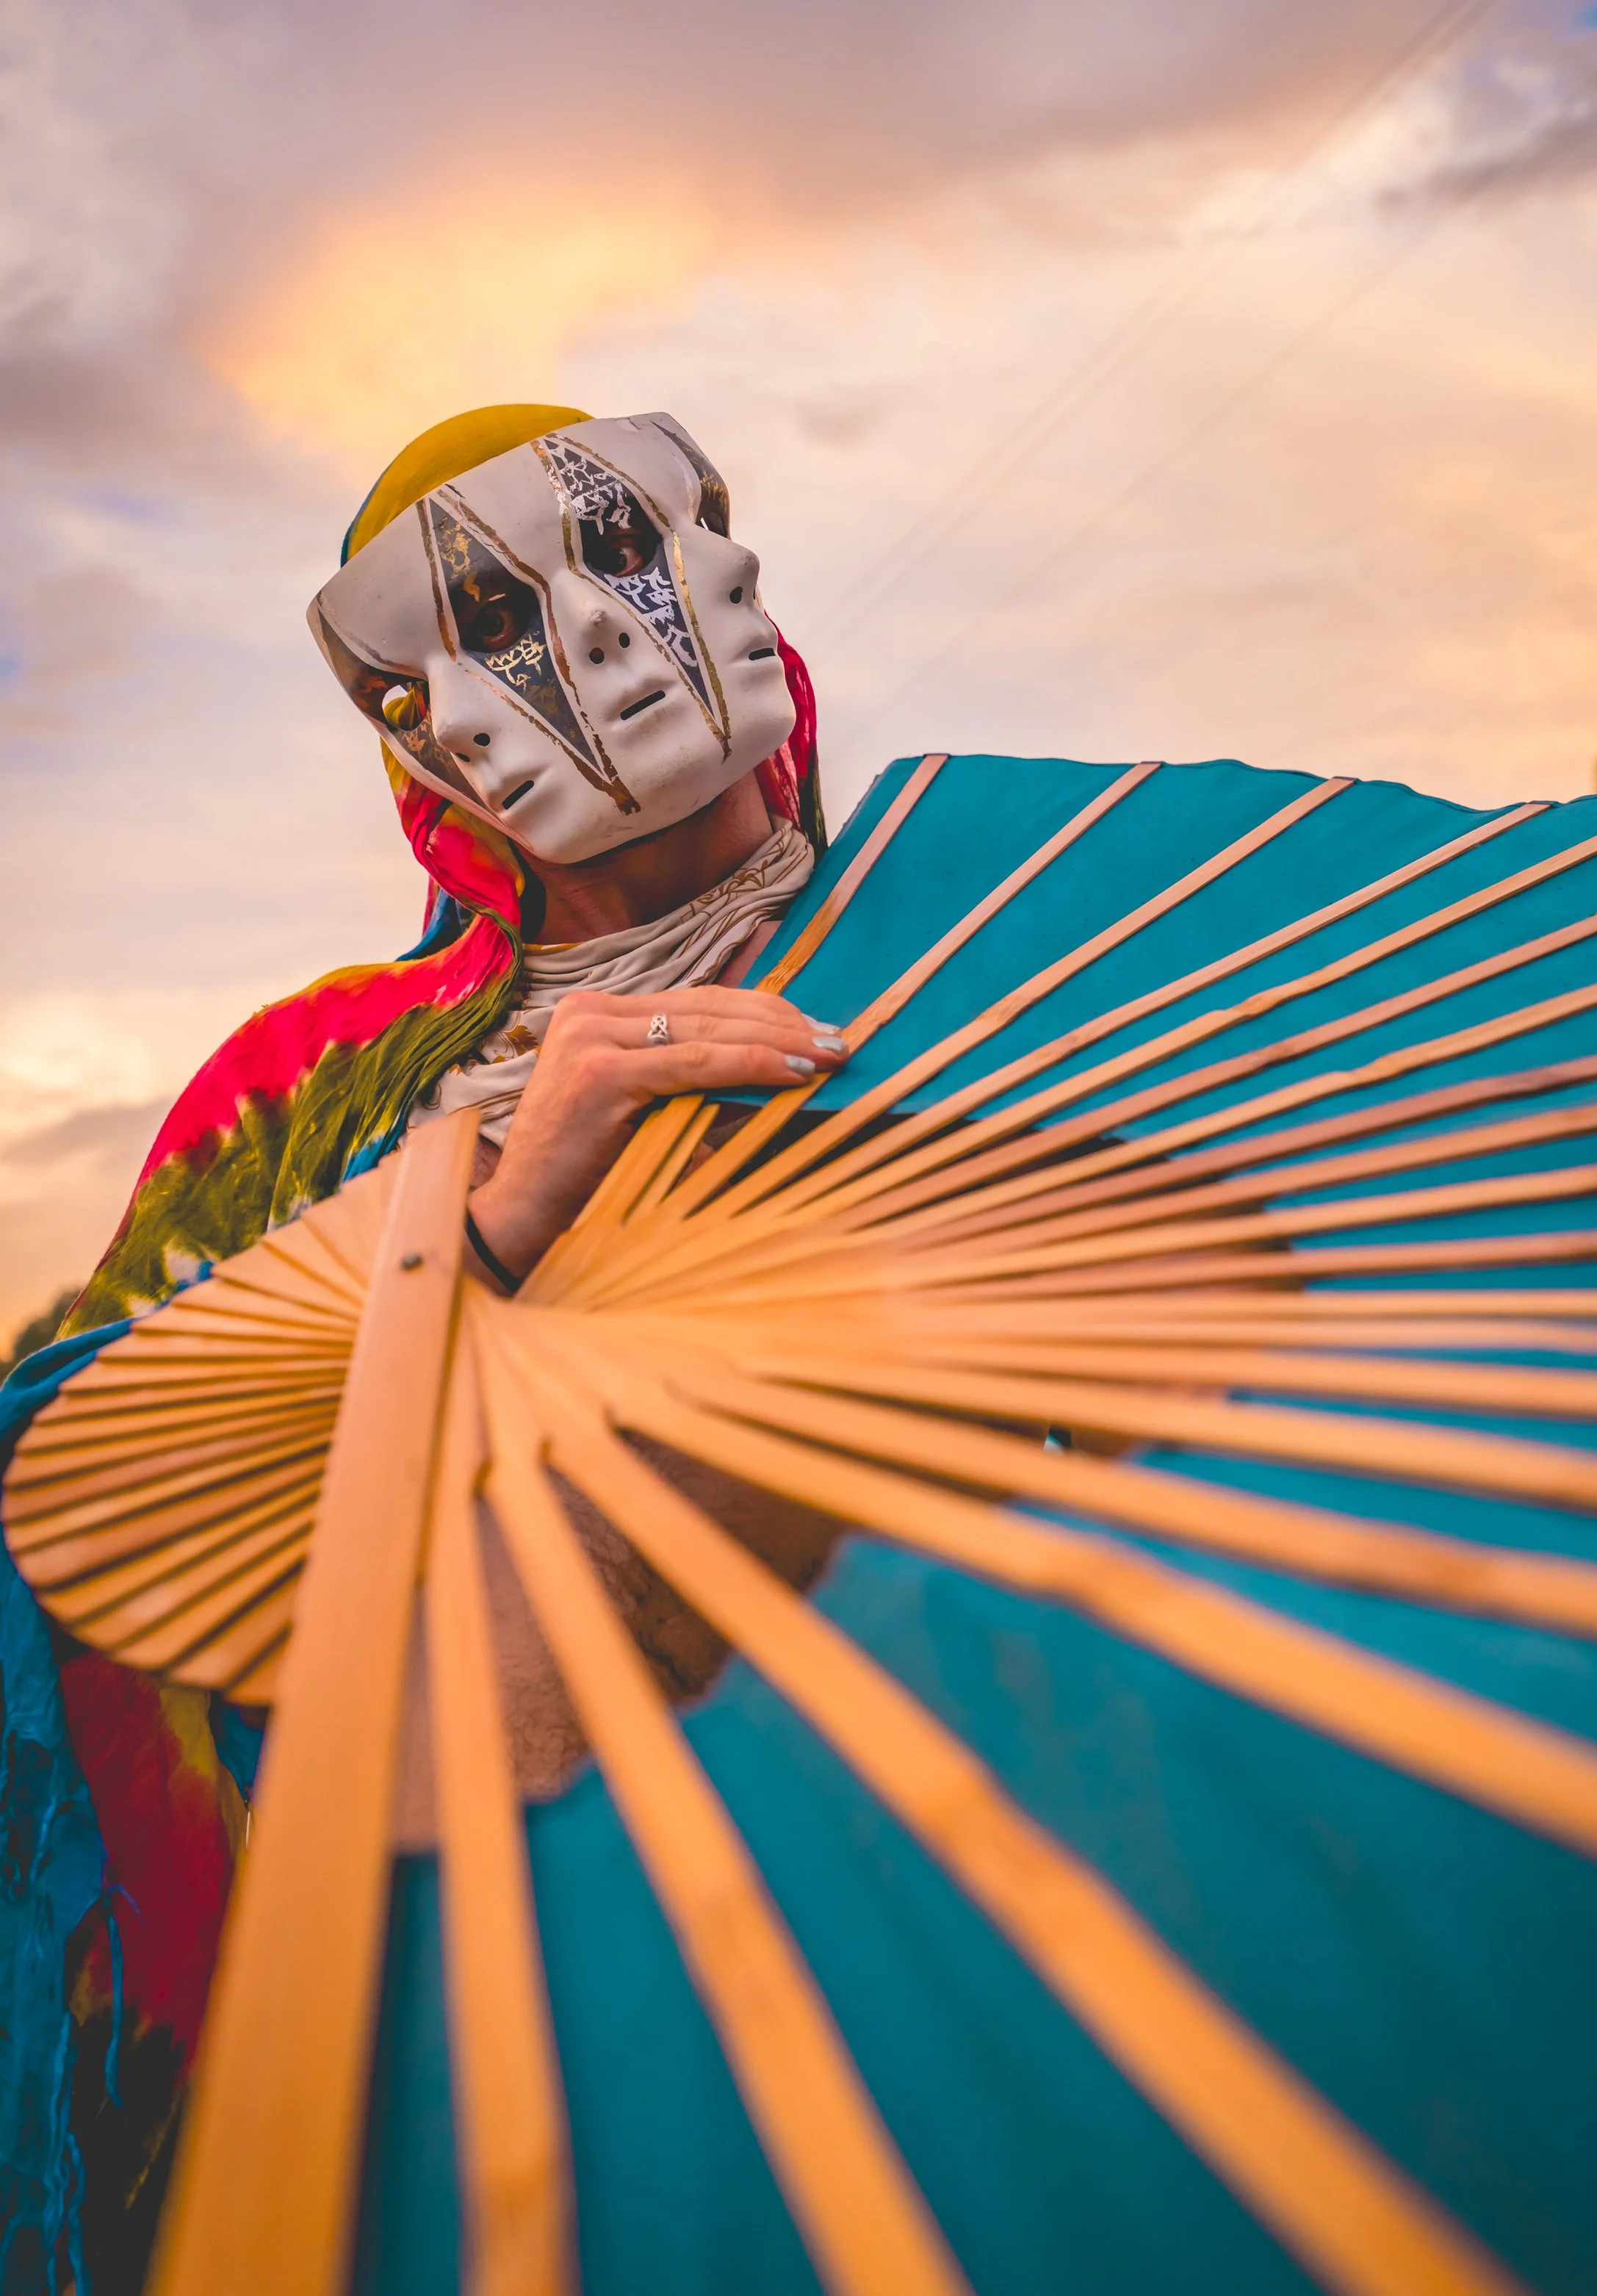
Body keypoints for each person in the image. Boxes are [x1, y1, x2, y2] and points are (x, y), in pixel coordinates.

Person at [0, 403, 844, 2292]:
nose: (599, 637)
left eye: (619, 555)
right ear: (425, 742)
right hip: (487, 1933)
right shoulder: (312, 1089)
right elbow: (75, 1475)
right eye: (492, 621)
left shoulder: (1017, 931)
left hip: (993, 1792)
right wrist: (463, 1226)